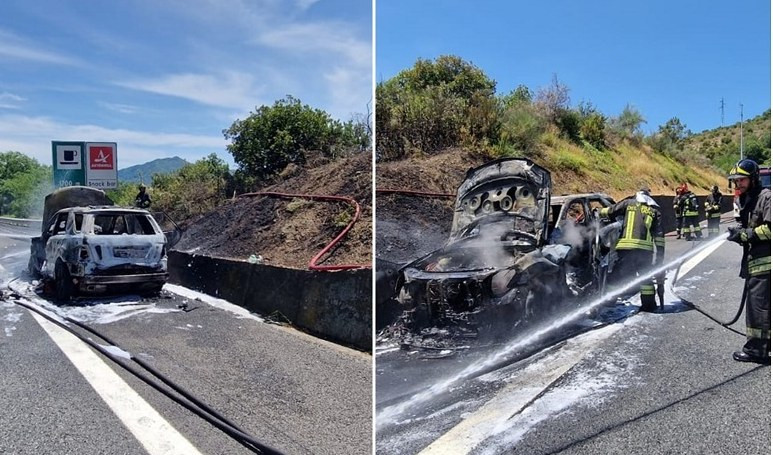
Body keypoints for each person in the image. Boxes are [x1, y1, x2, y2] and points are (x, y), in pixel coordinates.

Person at [726, 159, 770, 364]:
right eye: (735, 181)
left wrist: (745, 234)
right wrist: (738, 234)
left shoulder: (766, 197)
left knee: (758, 308)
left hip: (766, 263)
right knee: (761, 306)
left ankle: (756, 351)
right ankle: (764, 345)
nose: (738, 185)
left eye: (742, 180)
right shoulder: (748, 200)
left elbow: (769, 230)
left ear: (753, 179)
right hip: (756, 262)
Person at [600, 187, 665, 312]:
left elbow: (611, 211)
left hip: (625, 248)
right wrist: (659, 258)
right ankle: (649, 305)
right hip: (645, 251)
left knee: (616, 277)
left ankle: (608, 301)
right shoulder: (654, 212)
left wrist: (598, 212)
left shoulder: (628, 204)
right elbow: (659, 237)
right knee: (646, 279)